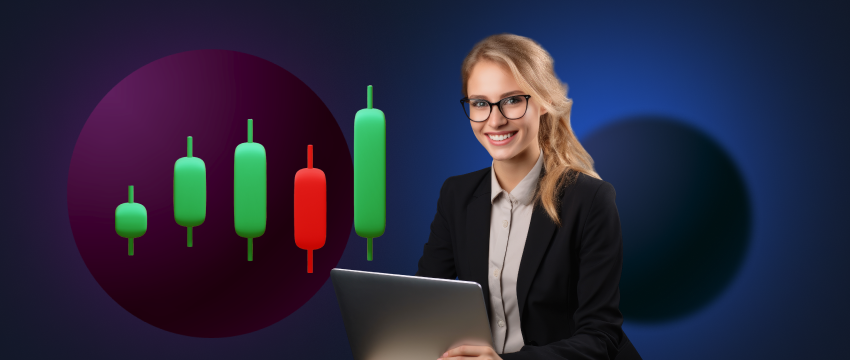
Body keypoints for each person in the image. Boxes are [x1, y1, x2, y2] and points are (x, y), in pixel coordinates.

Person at [415, 34, 641, 360]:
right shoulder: (456, 195)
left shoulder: (590, 200)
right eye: (480, 103)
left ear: (543, 102)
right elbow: (424, 304)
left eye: (512, 100)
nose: (494, 120)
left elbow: (600, 338)